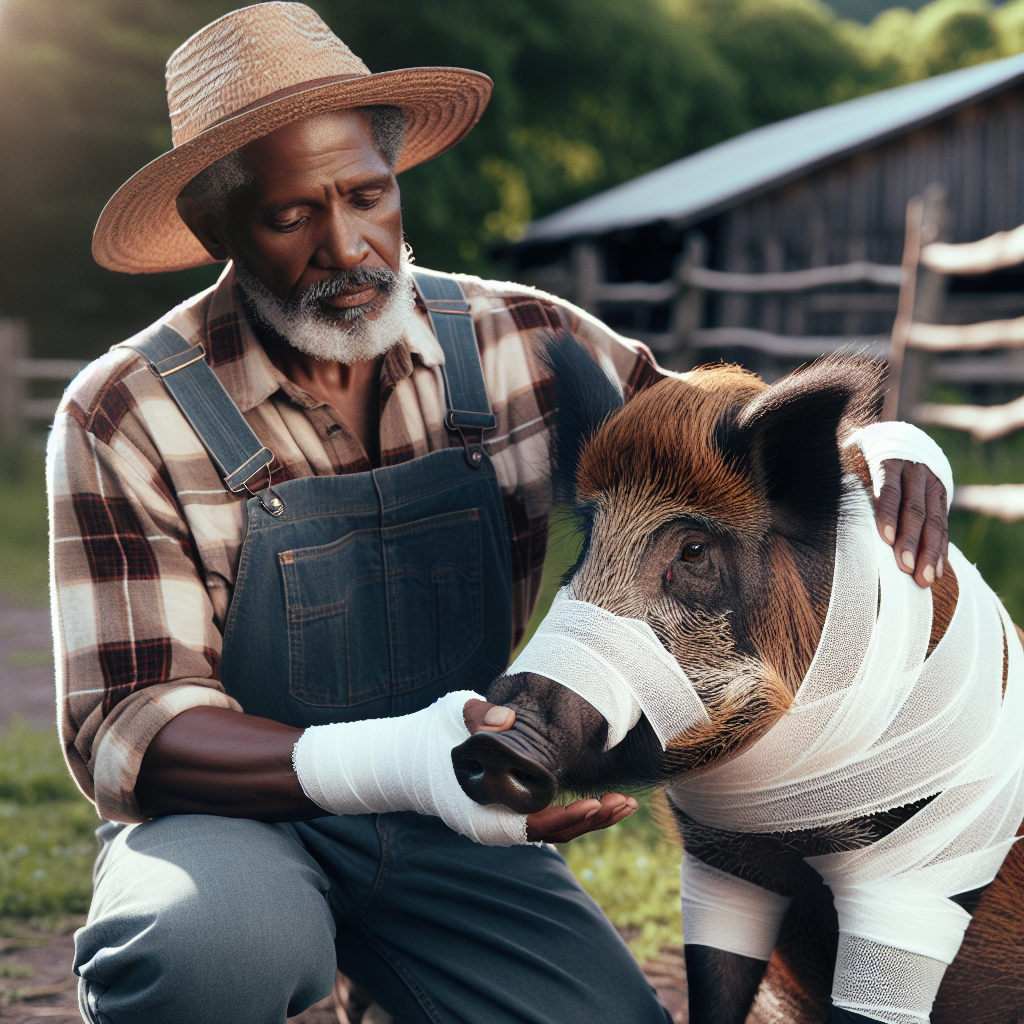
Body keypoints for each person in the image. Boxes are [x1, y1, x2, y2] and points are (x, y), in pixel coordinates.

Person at [49, 5, 951, 1023]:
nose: (346, 246)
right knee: (203, 954)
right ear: (218, 229)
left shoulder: (520, 338)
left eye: (366, 195)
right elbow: (129, 725)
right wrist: (398, 760)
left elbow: (720, 440)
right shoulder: (125, 412)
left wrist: (883, 449)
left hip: (457, 821)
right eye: (290, 214)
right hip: (236, 823)